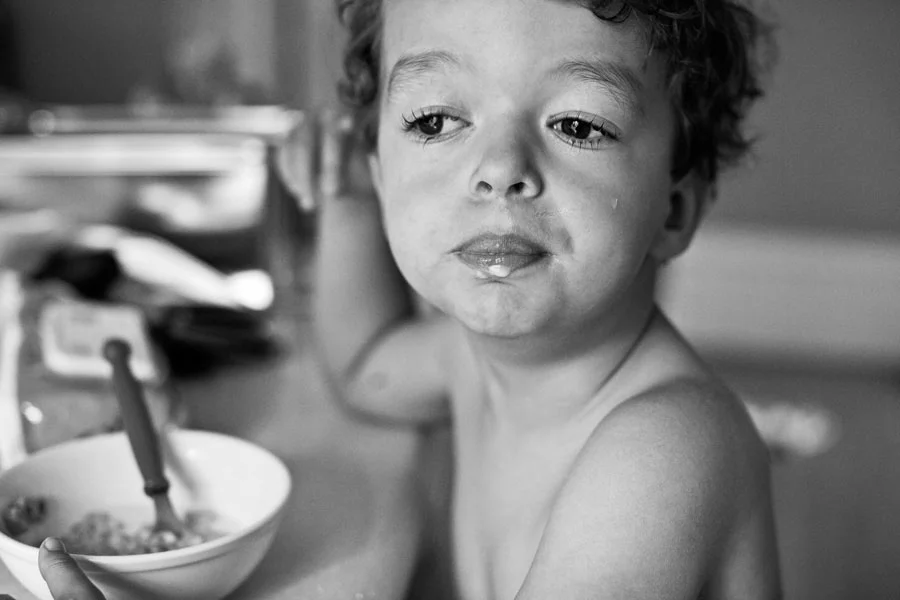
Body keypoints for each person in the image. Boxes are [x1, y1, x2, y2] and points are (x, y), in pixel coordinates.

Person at [31, 0, 781, 598]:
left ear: (675, 210)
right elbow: (366, 367)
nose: (498, 169)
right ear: (384, 169)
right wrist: (350, 204)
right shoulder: (479, 358)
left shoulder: (662, 453)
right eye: (434, 121)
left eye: (577, 124)